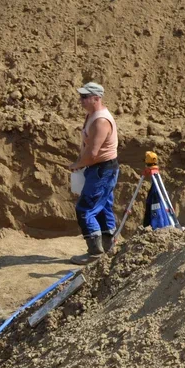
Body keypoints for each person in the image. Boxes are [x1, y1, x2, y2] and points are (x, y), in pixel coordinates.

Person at [68, 82, 119, 261]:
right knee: (103, 207)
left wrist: (78, 165)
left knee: (85, 208)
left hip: (101, 170)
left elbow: (92, 153)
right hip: (102, 169)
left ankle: (96, 253)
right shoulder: (93, 115)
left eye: (84, 97)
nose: (80, 100)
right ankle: (108, 247)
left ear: (96, 98)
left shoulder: (101, 121)